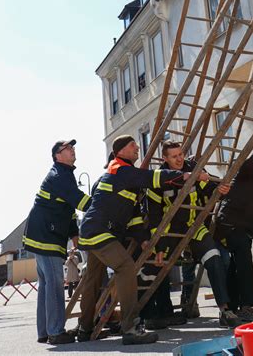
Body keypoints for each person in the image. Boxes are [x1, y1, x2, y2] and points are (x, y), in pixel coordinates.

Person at [77, 135, 187, 345]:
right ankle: (130, 328)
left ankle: (85, 328)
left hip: (93, 231)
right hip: (101, 231)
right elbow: (153, 178)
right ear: (120, 151)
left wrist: (143, 240)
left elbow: (134, 216)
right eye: (132, 145)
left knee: (92, 281)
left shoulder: (123, 175)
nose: (137, 148)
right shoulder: (120, 169)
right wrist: (185, 175)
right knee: (126, 268)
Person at [145, 141, 240, 328]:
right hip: (170, 233)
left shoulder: (194, 167)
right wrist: (159, 247)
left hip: (195, 227)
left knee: (215, 258)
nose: (179, 159)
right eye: (174, 156)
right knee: (160, 266)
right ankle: (162, 314)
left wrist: (220, 190)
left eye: (181, 154)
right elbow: (154, 217)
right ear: (165, 159)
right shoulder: (159, 179)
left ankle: (224, 310)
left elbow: (211, 187)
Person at [23, 139, 91, 345]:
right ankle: (55, 331)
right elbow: (79, 201)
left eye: (73, 147)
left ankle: (45, 331)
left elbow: (68, 210)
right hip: (46, 237)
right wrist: (103, 203)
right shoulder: (59, 175)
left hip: (42, 234)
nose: (72, 150)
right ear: (57, 156)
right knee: (53, 285)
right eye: (67, 148)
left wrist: (75, 236)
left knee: (46, 286)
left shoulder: (65, 175)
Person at [215, 145, 253, 321]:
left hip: (242, 228)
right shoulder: (246, 174)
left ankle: (233, 308)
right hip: (231, 225)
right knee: (244, 265)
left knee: (236, 267)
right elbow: (246, 164)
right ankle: (247, 307)